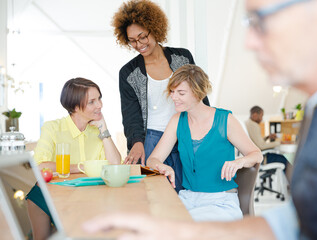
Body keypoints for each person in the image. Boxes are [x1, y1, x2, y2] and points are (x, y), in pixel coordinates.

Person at [83, 0, 317, 239]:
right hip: (169, 156)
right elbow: (299, 224)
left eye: (260, 21)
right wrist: (181, 232)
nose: (249, 41)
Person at [111, 0, 209, 193]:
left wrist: (208, 129)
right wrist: (137, 143)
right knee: (155, 196)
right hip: (151, 140)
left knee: (188, 192)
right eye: (132, 40)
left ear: (154, 29)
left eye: (142, 37)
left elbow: (199, 96)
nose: (139, 44)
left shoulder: (183, 58)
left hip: (185, 134)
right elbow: (131, 116)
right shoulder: (128, 73)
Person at [145, 64, 261, 221]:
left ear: (197, 93)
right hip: (187, 199)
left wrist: (240, 162)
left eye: (181, 93)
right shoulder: (177, 121)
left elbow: (256, 155)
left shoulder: (225, 120)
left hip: (221, 202)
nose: (174, 97)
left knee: (184, 228)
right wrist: (162, 166)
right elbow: (152, 160)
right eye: (172, 92)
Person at [27, 78, 122, 240]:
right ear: (75, 107)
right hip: (50, 198)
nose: (99, 105)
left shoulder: (96, 132)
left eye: (99, 98)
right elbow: (40, 165)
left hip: (88, 197)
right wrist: (80, 167)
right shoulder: (53, 128)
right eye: (92, 102)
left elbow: (115, 164)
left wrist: (104, 128)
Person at [245, 106, 288, 172]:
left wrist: (267, 137)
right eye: (261, 116)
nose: (262, 119)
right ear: (255, 115)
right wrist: (279, 143)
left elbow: (256, 141)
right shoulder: (254, 125)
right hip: (262, 159)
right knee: (285, 160)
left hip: (254, 158)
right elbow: (261, 146)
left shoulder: (247, 123)